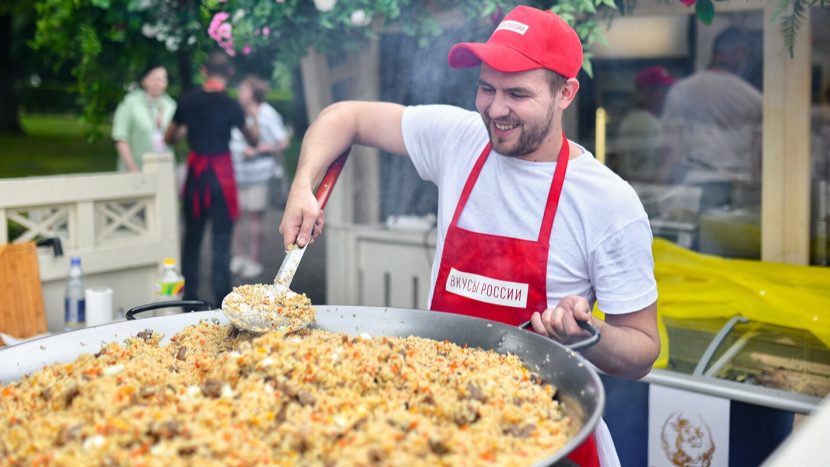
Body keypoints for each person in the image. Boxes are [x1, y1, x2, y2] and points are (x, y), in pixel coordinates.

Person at [280, 6, 659, 466]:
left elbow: (642, 350)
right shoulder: (459, 140)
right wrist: (303, 186)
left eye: (517, 93)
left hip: (544, 434)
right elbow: (345, 116)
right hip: (441, 427)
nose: (495, 109)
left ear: (566, 93)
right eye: (486, 88)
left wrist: (590, 332)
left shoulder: (608, 202)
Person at [164, 52, 258, 306]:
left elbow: (169, 138)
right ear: (229, 74)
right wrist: (252, 114)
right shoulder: (230, 104)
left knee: (192, 239)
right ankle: (221, 299)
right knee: (221, 239)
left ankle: (189, 297)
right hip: (221, 178)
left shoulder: (187, 100)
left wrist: (187, 130)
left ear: (204, 71)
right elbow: (253, 139)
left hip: (197, 177)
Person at [661, 28, 763, 210]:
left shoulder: (683, 89)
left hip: (699, 184)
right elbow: (759, 157)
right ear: (738, 54)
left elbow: (671, 149)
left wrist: (664, 185)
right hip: (742, 186)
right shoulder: (754, 98)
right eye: (745, 55)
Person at [230, 75, 290, 279]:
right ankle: (240, 257)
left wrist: (257, 151)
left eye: (243, 89)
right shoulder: (238, 112)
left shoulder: (267, 113)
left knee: (255, 217)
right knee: (237, 217)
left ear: (254, 92)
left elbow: (282, 142)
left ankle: (254, 261)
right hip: (238, 174)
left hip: (259, 176)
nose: (240, 93)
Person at [614, 65, 675, 182]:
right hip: (648, 193)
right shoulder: (647, 124)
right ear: (651, 93)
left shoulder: (632, 119)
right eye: (664, 91)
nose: (667, 97)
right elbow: (655, 174)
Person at [112, 65, 176, 172]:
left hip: (165, 170)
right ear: (144, 80)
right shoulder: (130, 103)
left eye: (162, 79)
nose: (158, 82)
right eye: (154, 78)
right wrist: (133, 169)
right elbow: (120, 138)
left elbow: (176, 138)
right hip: (136, 169)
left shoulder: (171, 105)